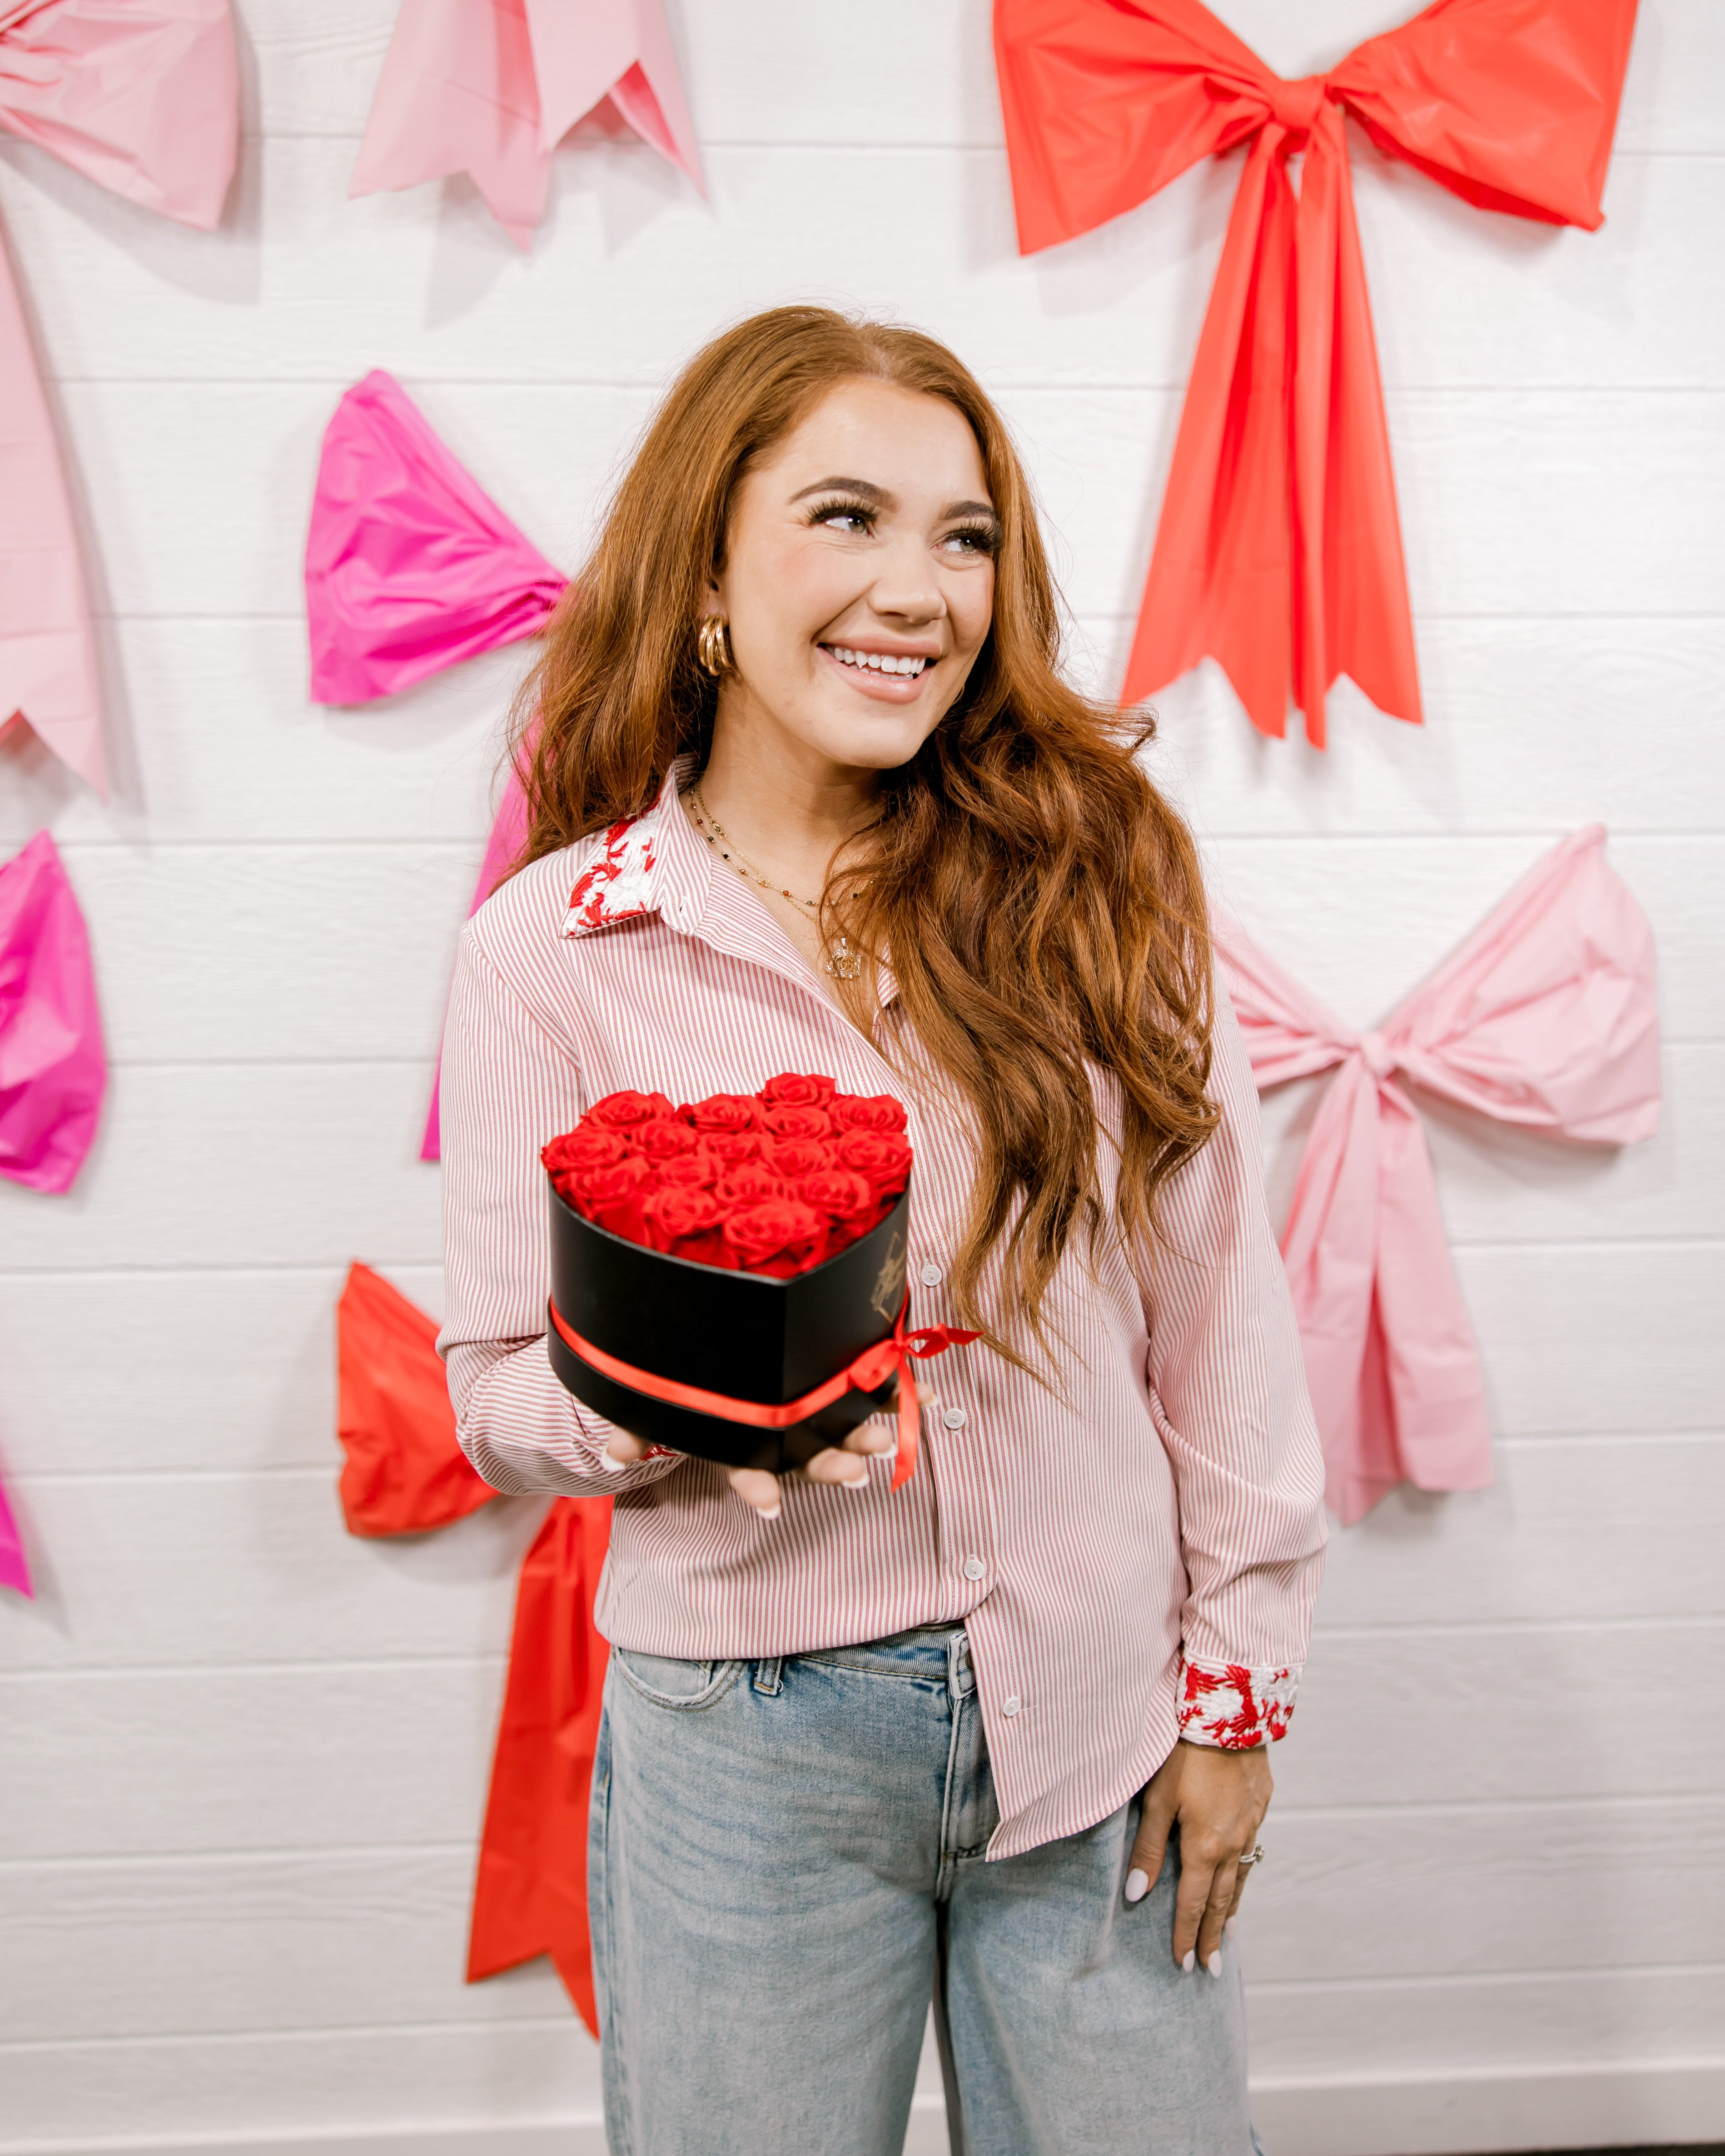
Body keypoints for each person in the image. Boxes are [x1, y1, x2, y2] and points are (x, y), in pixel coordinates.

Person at [439, 305, 1327, 2156]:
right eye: (845, 516)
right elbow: (495, 1391)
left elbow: (1216, 1306)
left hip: (1099, 1710)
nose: (917, 590)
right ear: (706, 574)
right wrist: (682, 1393)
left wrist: (1234, 1692)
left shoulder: (1101, 879)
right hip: (742, 1749)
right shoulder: (552, 949)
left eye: (963, 535)